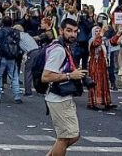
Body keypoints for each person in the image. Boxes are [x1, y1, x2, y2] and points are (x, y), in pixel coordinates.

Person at [42, 18, 87, 156]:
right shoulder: (59, 50)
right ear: (61, 31)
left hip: (62, 97)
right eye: (69, 31)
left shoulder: (63, 47)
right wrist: (70, 76)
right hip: (58, 98)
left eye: (75, 31)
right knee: (66, 137)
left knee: (71, 136)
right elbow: (46, 76)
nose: (72, 34)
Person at [0, 16, 22, 103]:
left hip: (2, 56)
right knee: (14, 77)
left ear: (2, 23)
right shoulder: (16, 32)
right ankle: (17, 96)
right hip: (13, 56)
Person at [86, 23, 114, 110]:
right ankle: (93, 103)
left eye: (99, 31)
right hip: (94, 63)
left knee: (104, 82)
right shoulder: (92, 40)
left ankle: (106, 101)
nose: (98, 33)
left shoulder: (103, 40)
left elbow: (112, 44)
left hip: (102, 64)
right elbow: (95, 44)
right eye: (96, 31)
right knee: (95, 81)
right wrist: (101, 34)